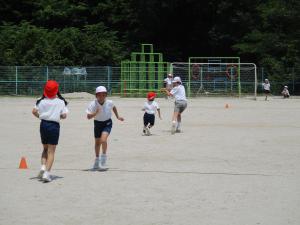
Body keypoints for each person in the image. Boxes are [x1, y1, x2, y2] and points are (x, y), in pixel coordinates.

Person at [32, 80, 69, 182]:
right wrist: (59, 115)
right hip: (54, 126)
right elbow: (64, 115)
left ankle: (43, 167)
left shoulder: (40, 100)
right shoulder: (61, 102)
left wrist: (41, 116)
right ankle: (47, 174)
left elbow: (34, 111)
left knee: (45, 149)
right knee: (51, 151)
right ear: (56, 90)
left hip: (43, 125)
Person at [86, 86, 124, 170]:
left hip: (107, 123)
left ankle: (103, 156)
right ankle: (96, 160)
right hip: (97, 123)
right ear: (96, 95)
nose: (101, 96)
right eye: (99, 95)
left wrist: (118, 116)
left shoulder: (109, 102)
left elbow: (113, 107)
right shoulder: (93, 104)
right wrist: (95, 113)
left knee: (103, 140)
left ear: (106, 95)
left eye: (104, 95)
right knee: (97, 143)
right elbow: (88, 117)